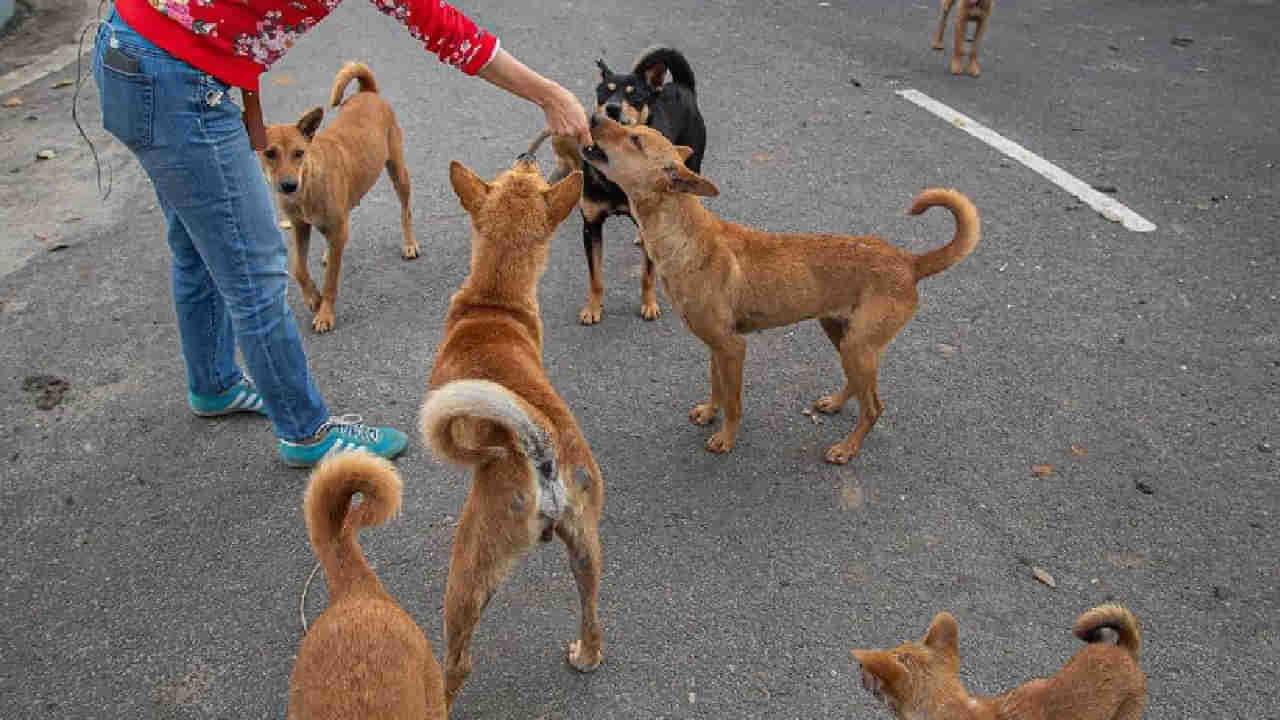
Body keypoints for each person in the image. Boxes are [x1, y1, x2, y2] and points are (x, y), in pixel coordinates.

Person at [91, 0, 591, 467]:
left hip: (131, 52)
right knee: (255, 273)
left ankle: (214, 383)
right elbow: (445, 29)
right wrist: (547, 94)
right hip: (180, 80)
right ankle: (307, 433)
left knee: (195, 245)